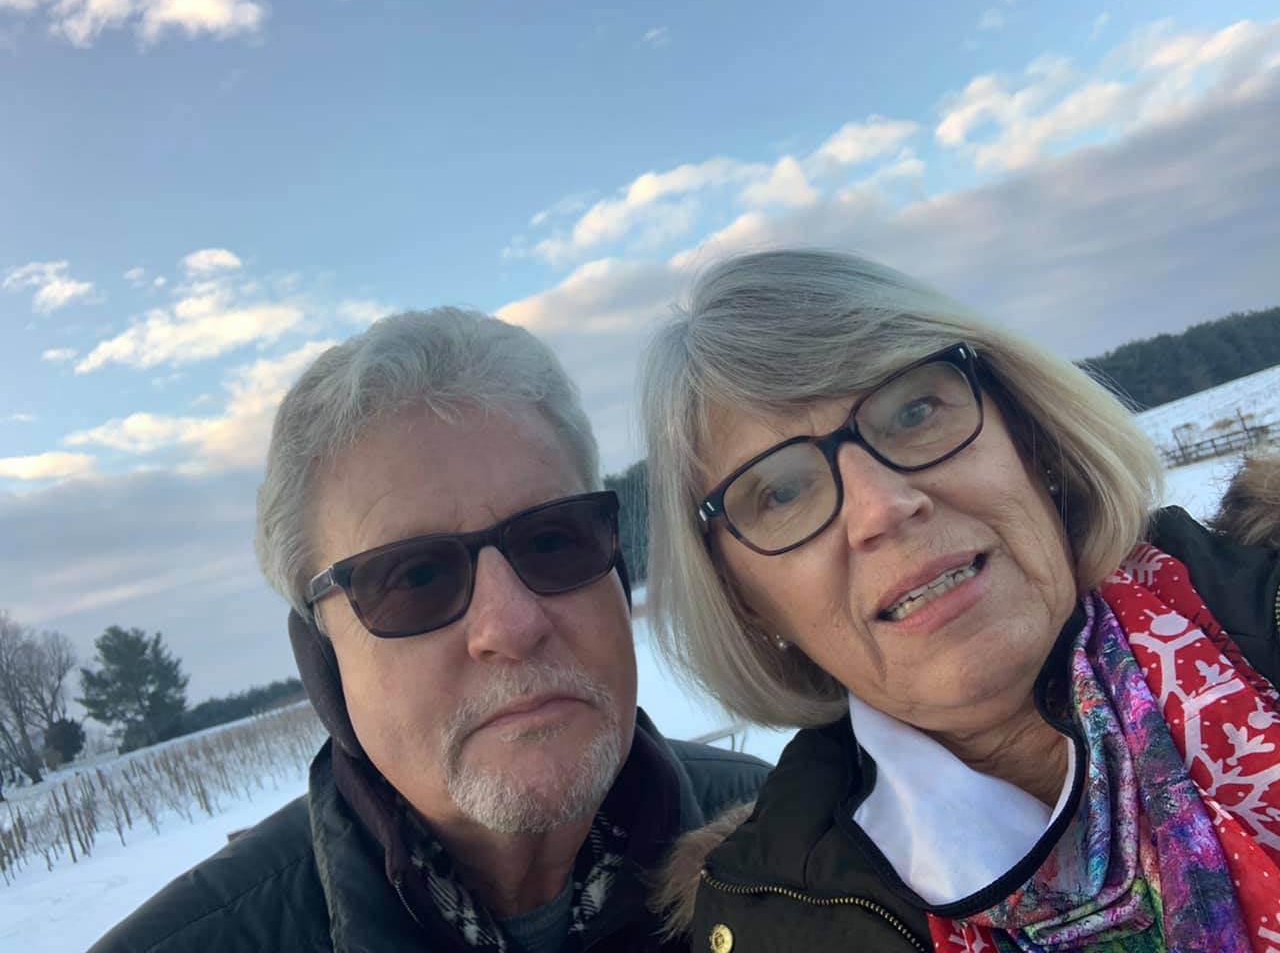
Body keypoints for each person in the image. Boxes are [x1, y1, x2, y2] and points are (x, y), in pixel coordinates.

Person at [639, 249, 1280, 952]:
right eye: (783, 491)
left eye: (914, 411)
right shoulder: (775, 925)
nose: (882, 508)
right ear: (747, 601)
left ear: (1029, 436)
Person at [89, 307, 768, 952]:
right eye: (415, 578)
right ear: (324, 663)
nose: (512, 625)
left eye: (552, 541)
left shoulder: (796, 848)